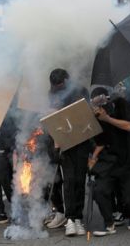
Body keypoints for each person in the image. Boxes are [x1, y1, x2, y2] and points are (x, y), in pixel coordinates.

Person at [91, 87, 130, 237]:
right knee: (99, 190)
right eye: (95, 104)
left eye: (100, 102)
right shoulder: (96, 116)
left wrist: (107, 119)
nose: (98, 106)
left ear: (107, 99)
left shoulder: (120, 103)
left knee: (128, 199)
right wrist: (93, 157)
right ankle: (109, 223)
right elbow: (100, 142)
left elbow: (128, 126)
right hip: (110, 160)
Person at [47, 69, 91, 236]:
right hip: (63, 142)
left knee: (80, 180)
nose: (59, 89)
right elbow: (51, 120)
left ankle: (78, 218)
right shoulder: (51, 94)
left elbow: (87, 115)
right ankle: (70, 219)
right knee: (69, 180)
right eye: (56, 86)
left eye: (62, 85)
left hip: (81, 141)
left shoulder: (80, 91)